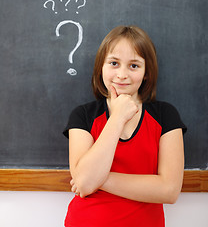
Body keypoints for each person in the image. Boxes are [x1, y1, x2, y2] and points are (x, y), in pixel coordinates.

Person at [63, 25, 187, 227]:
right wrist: (117, 118)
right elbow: (84, 183)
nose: (122, 74)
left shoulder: (165, 115)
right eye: (114, 63)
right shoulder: (83, 115)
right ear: (100, 67)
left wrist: (98, 179)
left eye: (134, 66)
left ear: (146, 72)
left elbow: (169, 190)